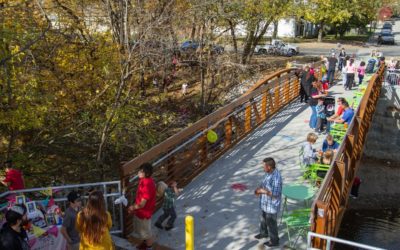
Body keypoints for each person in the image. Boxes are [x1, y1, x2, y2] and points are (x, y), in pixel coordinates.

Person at [254, 157, 282, 248]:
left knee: (271, 224)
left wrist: (262, 191)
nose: (262, 168)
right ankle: (263, 234)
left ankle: (274, 241)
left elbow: (275, 194)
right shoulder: (268, 173)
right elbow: (264, 184)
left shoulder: (276, 177)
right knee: (263, 220)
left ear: (269, 167)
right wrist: (258, 189)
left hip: (271, 206)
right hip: (265, 203)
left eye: (263, 166)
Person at [128, 163, 156, 250]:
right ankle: (144, 245)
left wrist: (132, 207)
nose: (138, 172)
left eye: (141, 171)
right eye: (139, 170)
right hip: (140, 212)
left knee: (147, 234)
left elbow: (142, 204)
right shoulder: (144, 180)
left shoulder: (147, 184)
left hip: (144, 214)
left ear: (146, 173)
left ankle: (149, 247)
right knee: (142, 232)